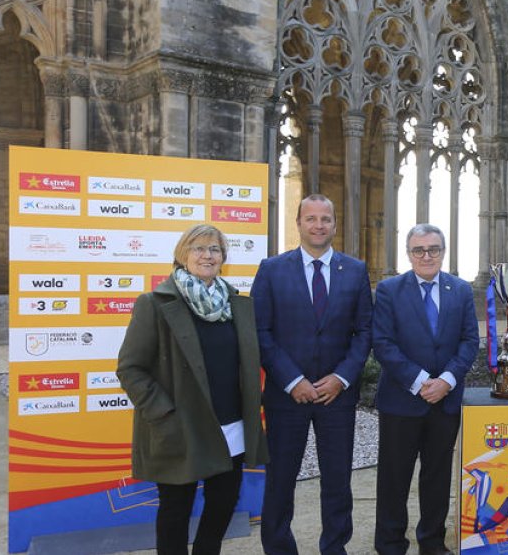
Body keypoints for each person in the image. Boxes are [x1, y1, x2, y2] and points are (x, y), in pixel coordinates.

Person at [117, 224, 268, 555]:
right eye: (198, 248)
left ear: (223, 258)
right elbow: (130, 368)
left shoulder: (236, 305)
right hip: (181, 426)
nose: (207, 255)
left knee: (223, 503)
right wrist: (164, 412)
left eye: (214, 249)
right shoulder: (155, 304)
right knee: (175, 511)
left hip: (231, 427)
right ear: (182, 255)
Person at [252, 194, 373, 555]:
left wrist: (342, 377)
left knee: (337, 481)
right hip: (285, 396)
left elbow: (364, 332)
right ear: (299, 223)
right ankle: (278, 548)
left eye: (325, 219)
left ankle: (335, 547)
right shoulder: (272, 269)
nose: (318, 225)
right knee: (280, 480)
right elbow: (260, 332)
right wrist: (293, 381)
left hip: (338, 396)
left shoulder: (354, 270)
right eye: (311, 218)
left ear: (335, 225)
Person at [371, 224, 479, 555]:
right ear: (409, 254)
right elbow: (383, 343)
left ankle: (431, 542)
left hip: (444, 403)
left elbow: (469, 340)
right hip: (401, 401)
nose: (426, 256)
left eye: (433, 249)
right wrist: (420, 382)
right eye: (419, 250)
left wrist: (446, 380)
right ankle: (390, 544)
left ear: (443, 252)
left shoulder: (460, 290)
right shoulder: (389, 290)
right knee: (394, 478)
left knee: (437, 476)